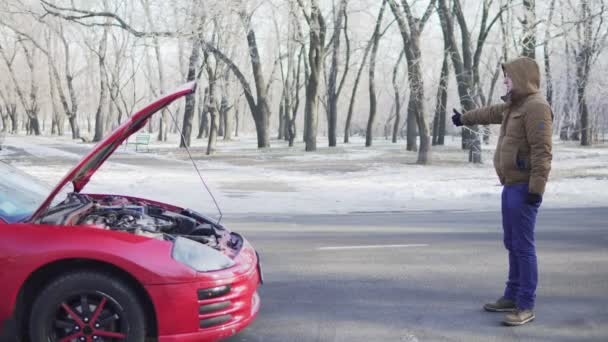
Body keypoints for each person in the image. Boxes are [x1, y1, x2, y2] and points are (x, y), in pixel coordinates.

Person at [452, 56, 553, 326]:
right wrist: (464, 118)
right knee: (512, 243)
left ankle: (525, 305)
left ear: (520, 78)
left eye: (508, 76)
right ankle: (511, 295)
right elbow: (490, 113)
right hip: (510, 185)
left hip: (524, 188)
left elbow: (543, 152)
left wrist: (537, 189)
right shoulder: (514, 105)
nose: (505, 81)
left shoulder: (536, 108)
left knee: (523, 247)